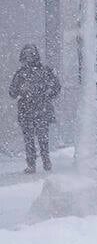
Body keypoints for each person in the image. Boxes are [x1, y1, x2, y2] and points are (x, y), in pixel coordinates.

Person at [10, 45, 59, 174]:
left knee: (40, 138)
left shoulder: (44, 71)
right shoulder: (21, 74)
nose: (28, 58)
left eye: (30, 55)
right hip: (29, 111)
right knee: (31, 139)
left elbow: (56, 88)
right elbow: (12, 92)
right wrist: (21, 89)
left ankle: (44, 161)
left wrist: (48, 92)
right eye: (26, 55)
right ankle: (35, 164)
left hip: (39, 110)